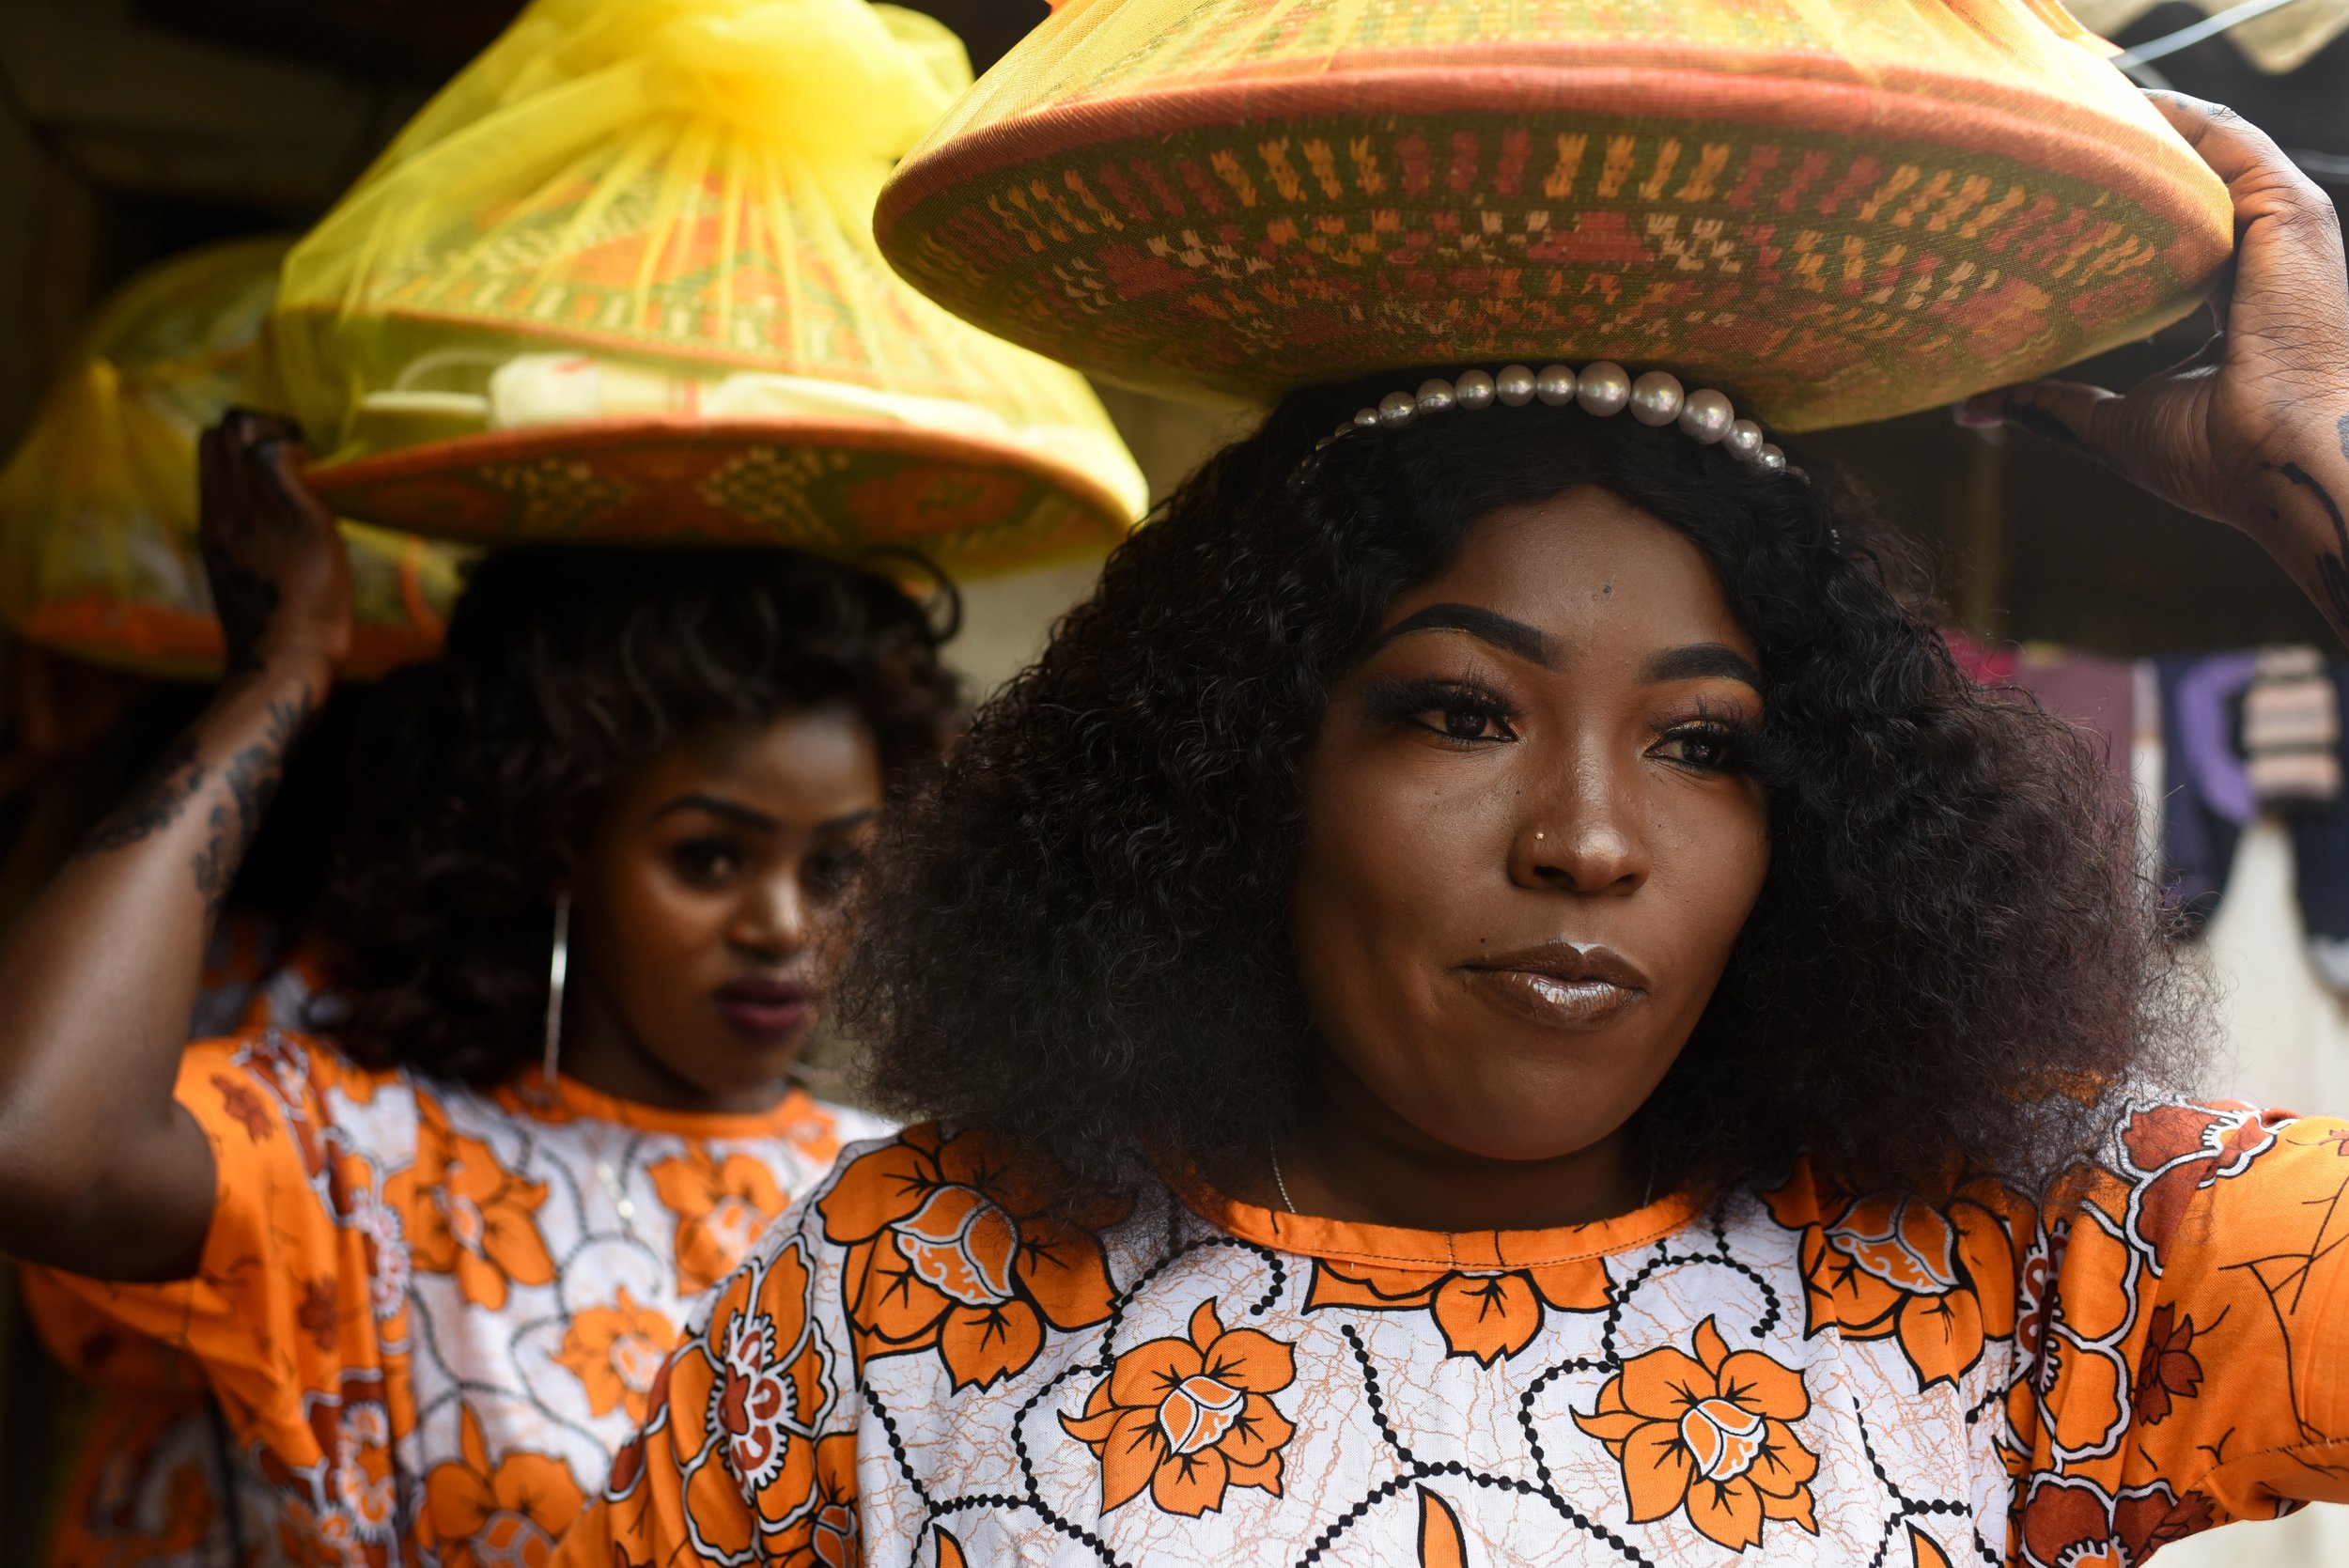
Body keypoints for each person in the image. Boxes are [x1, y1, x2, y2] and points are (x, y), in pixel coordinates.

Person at [553, 96, 2349, 1568]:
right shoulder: (904, 1293)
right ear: (1244, 763)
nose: (1588, 838)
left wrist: (2324, 470)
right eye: (1463, 710)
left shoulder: (2034, 1251)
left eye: (1705, 742)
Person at [0, 411, 962, 1561]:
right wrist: (279, 672)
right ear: (558, 845)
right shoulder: (362, 1166)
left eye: (837, 867)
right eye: (710, 858)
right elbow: (36, 1144)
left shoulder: (913, 1203)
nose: (783, 926)